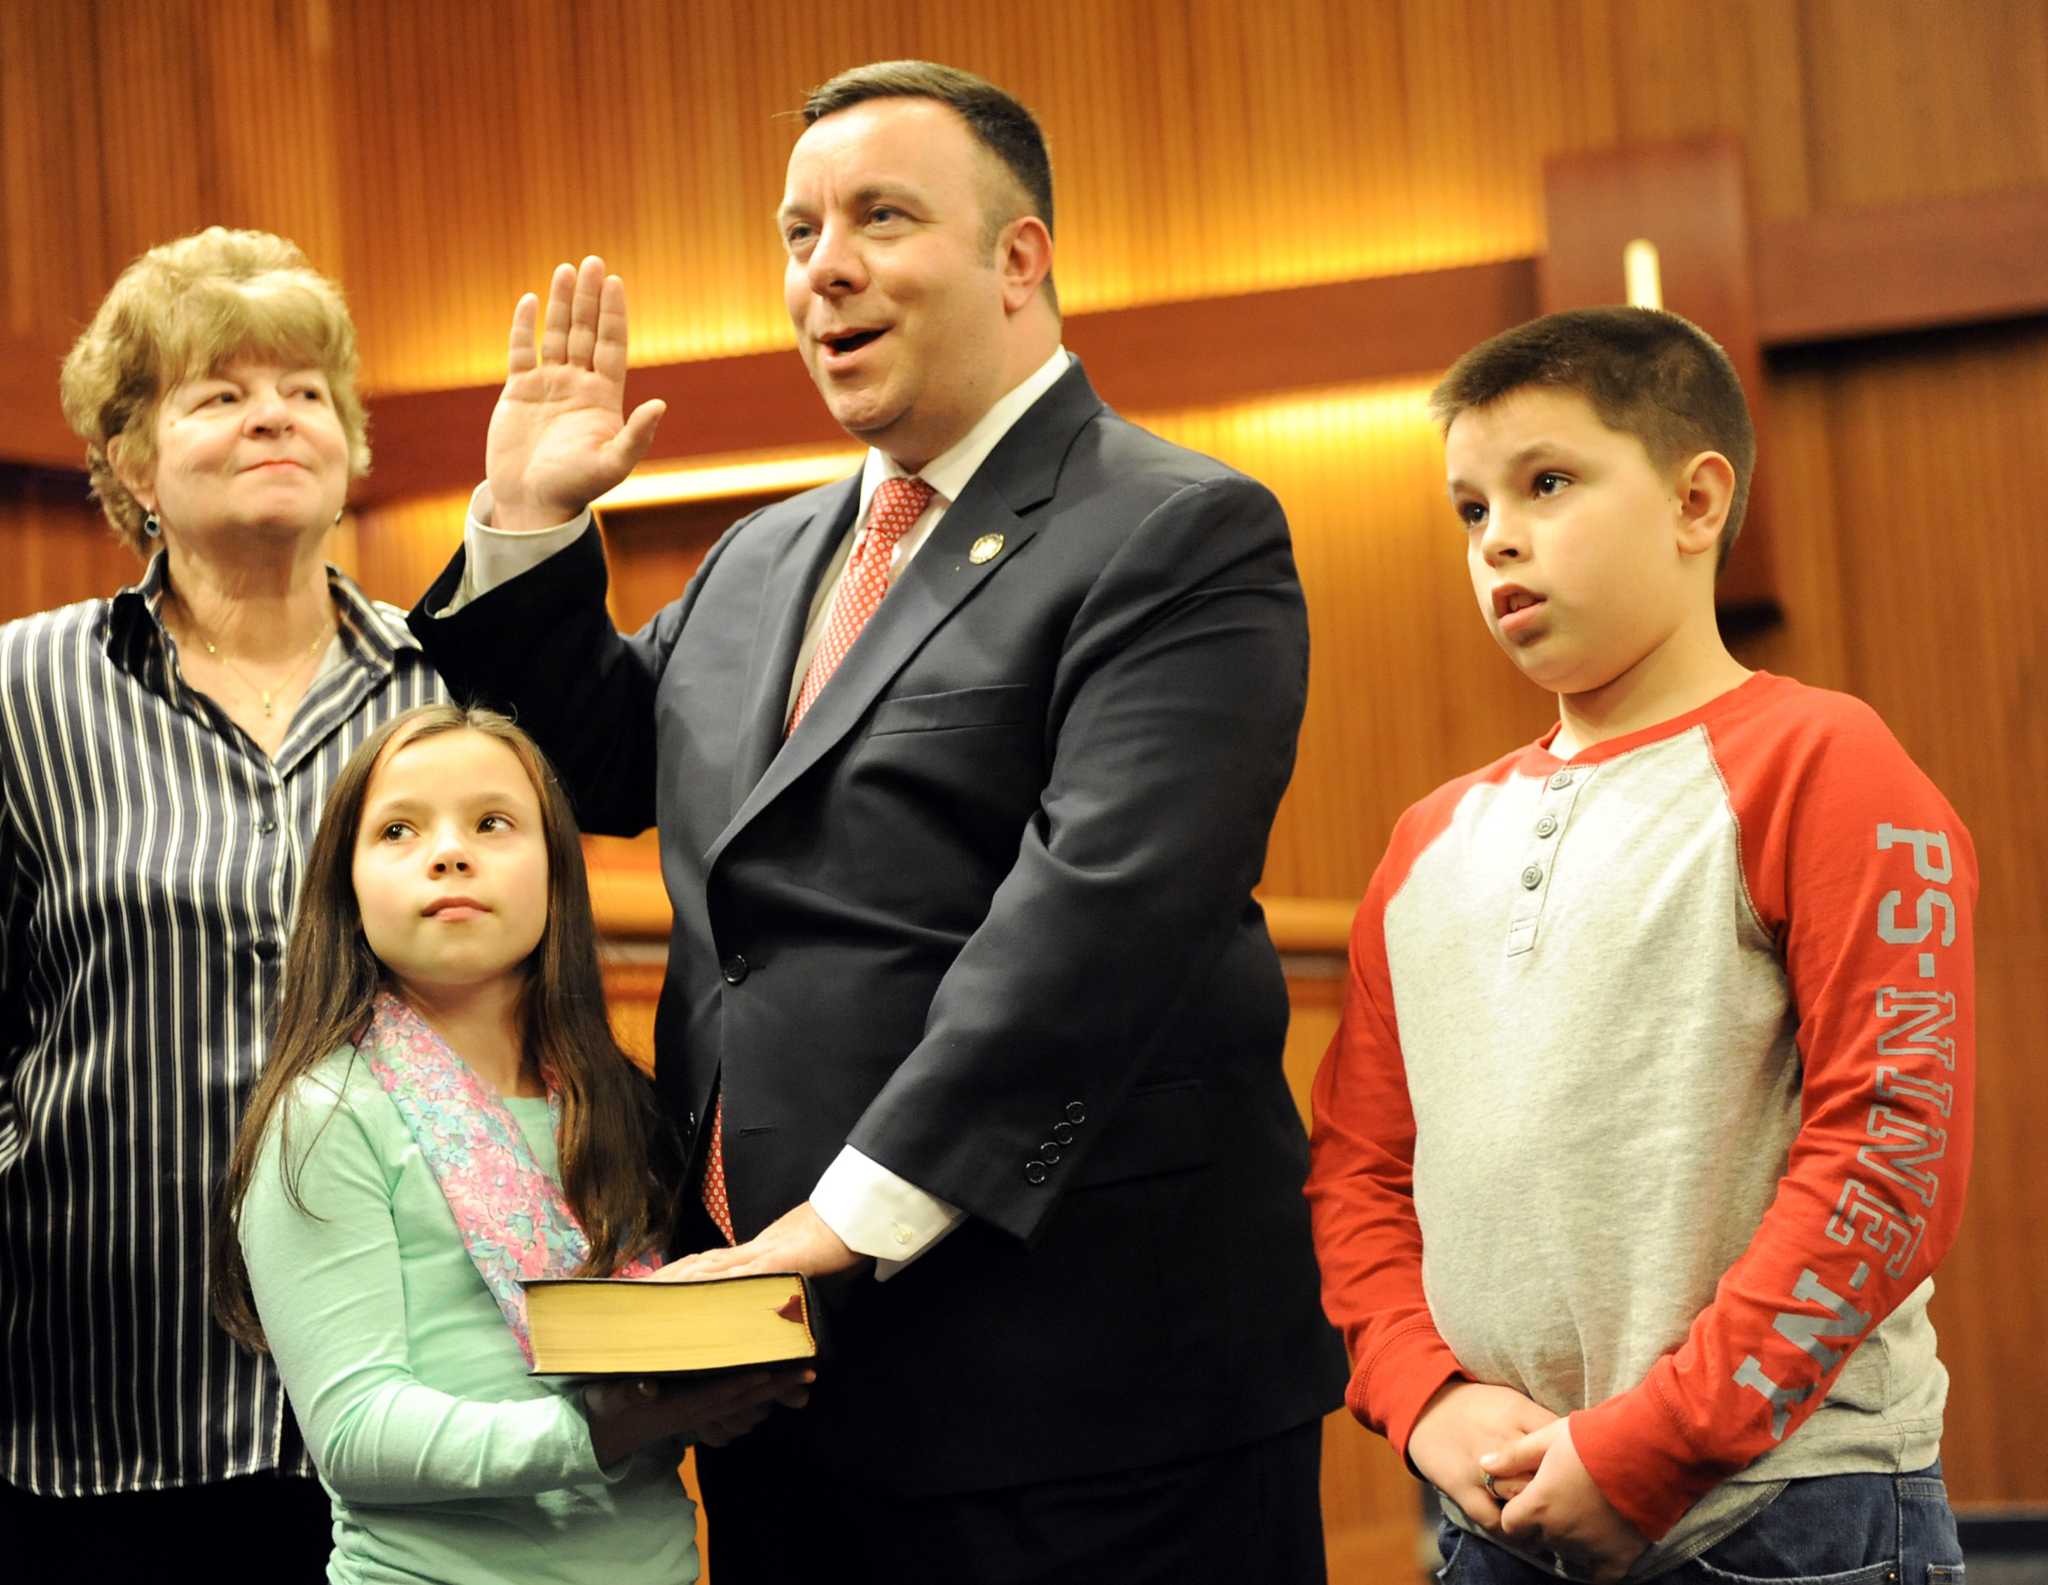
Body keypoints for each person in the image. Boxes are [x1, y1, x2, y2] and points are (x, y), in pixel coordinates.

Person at [409, 58, 1346, 1585]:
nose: (820, 268)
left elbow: (1095, 929)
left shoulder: (1176, 530)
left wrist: (827, 1234)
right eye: (796, 232)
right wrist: (526, 527)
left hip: (1087, 1404)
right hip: (780, 1389)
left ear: (1019, 259)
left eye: (880, 217)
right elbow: (587, 772)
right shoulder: (763, 558)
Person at [1305, 306, 1975, 1583]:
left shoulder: (1826, 764)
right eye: (1467, 509)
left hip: (1788, 1515)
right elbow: (1358, 1172)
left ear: (1694, 500)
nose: (1497, 533)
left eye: (1545, 482)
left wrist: (1653, 1444)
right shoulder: (1425, 842)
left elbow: (1888, 1155)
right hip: (1495, 1514)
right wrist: (1421, 1390)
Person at [1, 227, 444, 1571]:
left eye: (307, 390)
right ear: (132, 463)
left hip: (412, 1386)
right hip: (100, 1399)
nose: (274, 416)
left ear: (353, 444)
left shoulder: (446, 689)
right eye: (219, 392)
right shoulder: (23, 691)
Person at [210, 703, 811, 1584]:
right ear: (346, 886)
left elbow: (640, 1368)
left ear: (558, 872)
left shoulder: (622, 1101)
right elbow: (356, 1435)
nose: (449, 852)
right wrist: (607, 1425)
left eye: (492, 822)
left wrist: (704, 1397)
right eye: (399, 830)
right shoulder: (327, 1114)